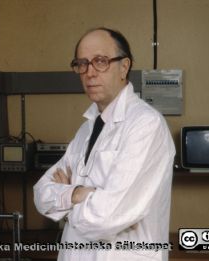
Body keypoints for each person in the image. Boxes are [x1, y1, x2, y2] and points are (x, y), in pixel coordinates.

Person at [33, 27, 175, 261]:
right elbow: (41, 193)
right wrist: (79, 193)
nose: (89, 73)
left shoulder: (146, 125)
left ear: (124, 66)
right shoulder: (86, 129)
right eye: (82, 63)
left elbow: (106, 217)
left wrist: (64, 202)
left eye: (100, 61)